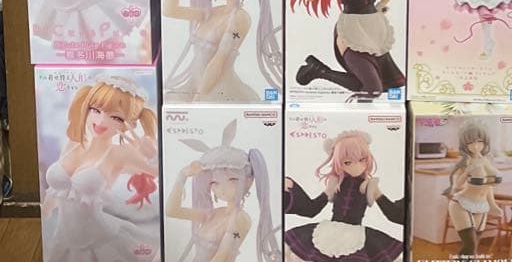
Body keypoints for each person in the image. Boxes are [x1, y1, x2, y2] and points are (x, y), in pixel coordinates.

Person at [42, 75, 159, 261]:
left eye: (115, 117)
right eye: (95, 110)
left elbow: (163, 173)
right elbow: (55, 192)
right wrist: (43, 214)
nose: (101, 120)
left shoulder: (119, 153)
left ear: (128, 125)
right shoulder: (74, 143)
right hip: (63, 238)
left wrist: (152, 155)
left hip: (99, 240)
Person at [165, 118, 279, 262]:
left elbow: (222, 256)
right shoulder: (212, 214)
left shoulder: (240, 218)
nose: (222, 189)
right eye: (214, 183)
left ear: (249, 181)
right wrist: (182, 176)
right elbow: (171, 211)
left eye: (232, 180)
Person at [284, 130, 402, 262]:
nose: (356, 166)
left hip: (356, 235)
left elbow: (392, 213)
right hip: (329, 232)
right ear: (338, 162)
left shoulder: (370, 185)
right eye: (347, 162)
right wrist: (293, 187)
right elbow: (312, 209)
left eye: (362, 160)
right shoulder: (335, 183)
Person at [443, 121, 504, 259]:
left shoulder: (487, 160)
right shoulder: (466, 161)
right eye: (470, 142)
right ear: (465, 144)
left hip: (482, 205)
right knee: (470, 245)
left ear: (485, 142)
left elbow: (488, 186)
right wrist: (467, 171)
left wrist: (493, 205)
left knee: (473, 247)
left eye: (479, 141)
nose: (475, 146)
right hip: (461, 204)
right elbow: (457, 185)